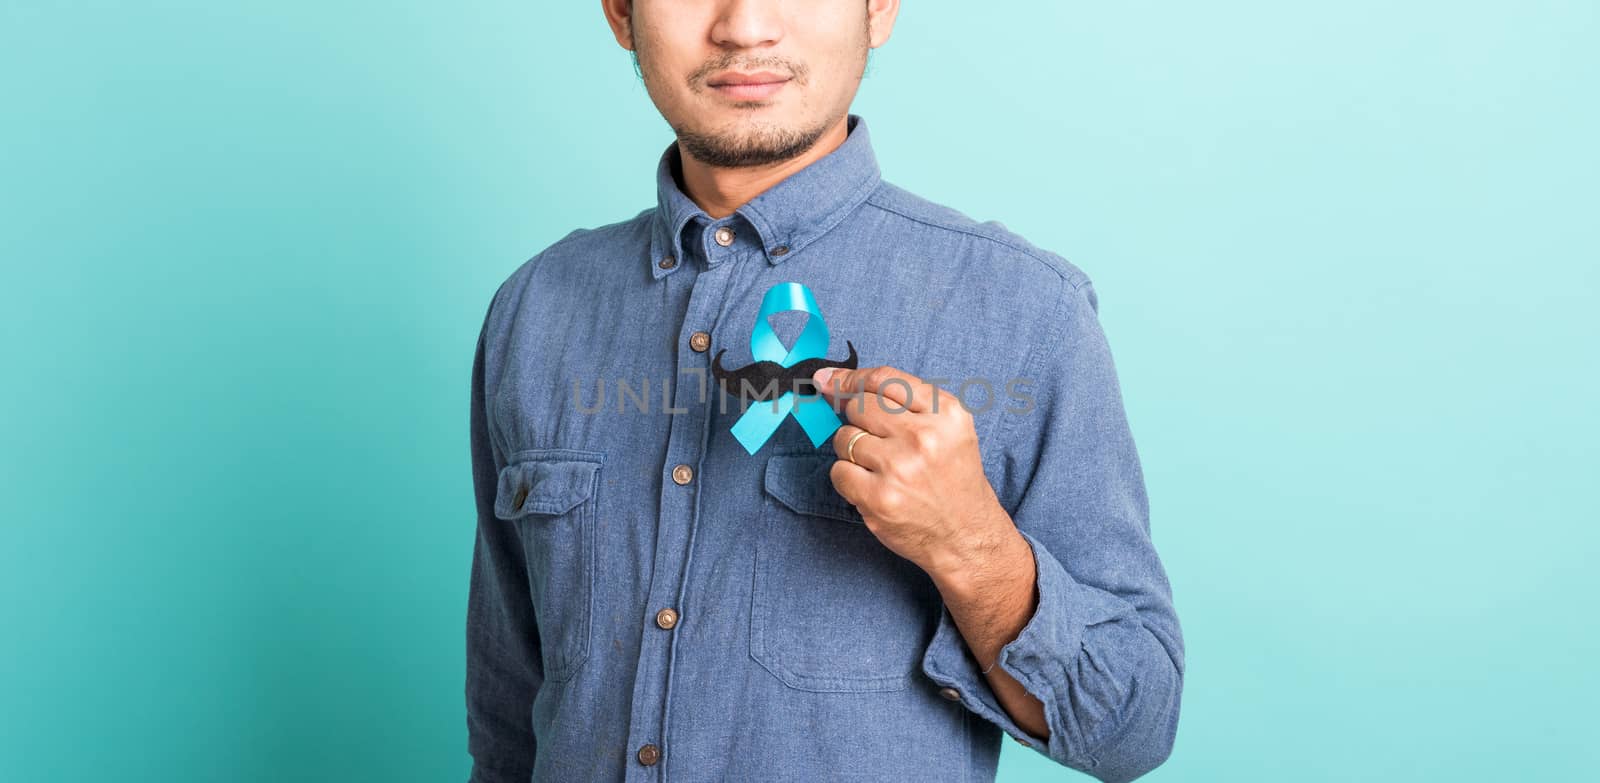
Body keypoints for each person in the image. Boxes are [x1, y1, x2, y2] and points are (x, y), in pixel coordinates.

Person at [465, 1, 1183, 781]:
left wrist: (972, 544)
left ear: (878, 8)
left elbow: (1131, 728)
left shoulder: (1026, 310)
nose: (743, 27)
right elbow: (509, 716)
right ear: (619, 13)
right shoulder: (535, 308)